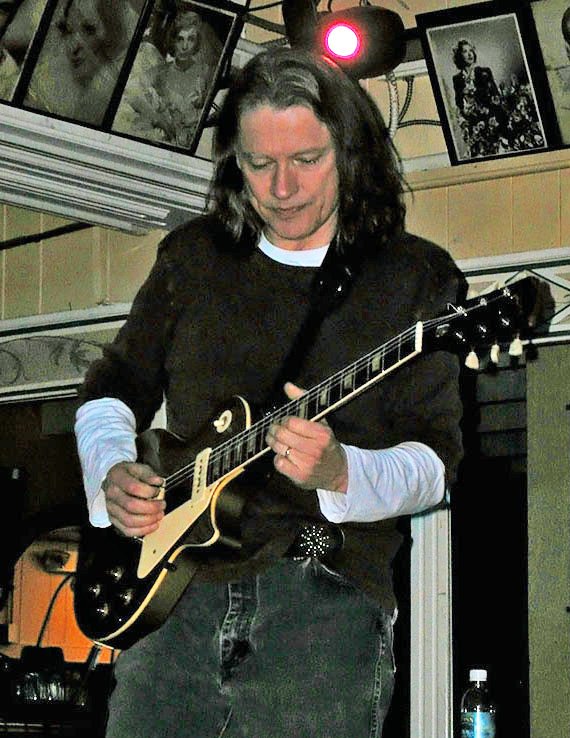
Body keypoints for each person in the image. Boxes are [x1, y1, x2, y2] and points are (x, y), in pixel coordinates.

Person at [75, 47, 467, 738]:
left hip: (322, 592)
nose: (282, 188)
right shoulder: (193, 257)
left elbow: (436, 464)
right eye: (260, 164)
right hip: (174, 597)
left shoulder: (413, 277)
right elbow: (115, 384)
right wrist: (112, 471)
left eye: (306, 160)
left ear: (349, 155)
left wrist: (342, 471)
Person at [113, 9, 222, 148]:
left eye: (191, 39)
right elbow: (131, 93)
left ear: (197, 42)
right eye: (180, 39)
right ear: (174, 40)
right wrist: (158, 119)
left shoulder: (205, 72)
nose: (185, 46)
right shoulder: (161, 70)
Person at [25, 0, 138, 124]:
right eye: (67, 30)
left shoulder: (127, 99)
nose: (73, 47)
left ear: (112, 32)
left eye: (89, 30)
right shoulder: (48, 87)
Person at [451, 39, 507, 158]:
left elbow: (495, 96)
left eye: (471, 50)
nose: (469, 54)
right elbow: (458, 103)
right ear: (460, 56)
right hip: (472, 124)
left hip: (489, 120)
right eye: (465, 51)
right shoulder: (457, 79)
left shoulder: (484, 72)